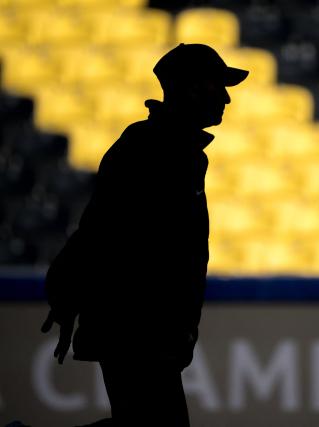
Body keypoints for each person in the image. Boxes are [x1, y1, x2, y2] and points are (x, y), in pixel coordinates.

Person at [40, 43, 249, 427]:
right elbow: (102, 231)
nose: (226, 97)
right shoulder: (149, 148)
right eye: (217, 85)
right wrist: (68, 292)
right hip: (137, 330)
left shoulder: (174, 150)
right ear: (190, 89)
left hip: (147, 330)